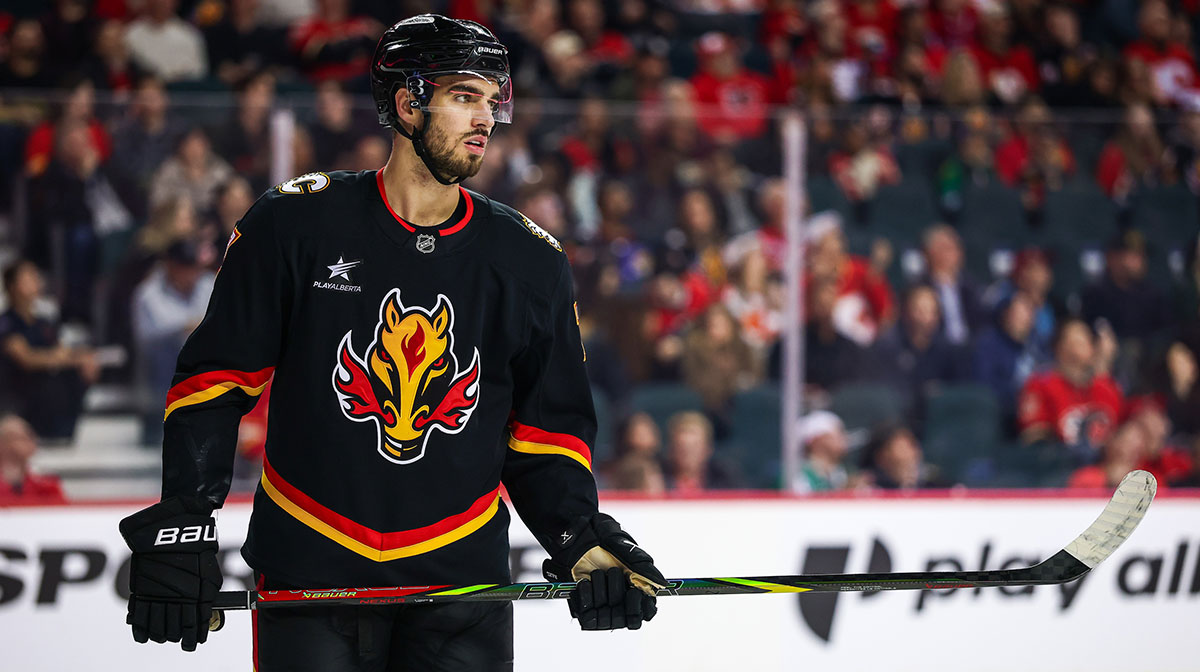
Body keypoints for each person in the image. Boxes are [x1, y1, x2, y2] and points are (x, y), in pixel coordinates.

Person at [117, 15, 666, 669]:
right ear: (409, 103)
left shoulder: (530, 261)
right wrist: (185, 518)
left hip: (463, 584)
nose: (485, 118)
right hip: (310, 573)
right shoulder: (293, 223)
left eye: (494, 100)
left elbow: (546, 436)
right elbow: (215, 381)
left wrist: (580, 536)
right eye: (465, 96)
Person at [0, 260, 100, 442]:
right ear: (12, 286)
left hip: (46, 388)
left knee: (77, 371)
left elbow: (62, 351)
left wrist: (83, 357)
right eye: (28, 278)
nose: (35, 282)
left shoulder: (44, 323)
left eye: (35, 277)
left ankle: (62, 430)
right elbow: (26, 359)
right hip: (19, 392)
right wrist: (58, 358)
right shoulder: (7, 323)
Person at [0, 414, 65, 502]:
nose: (13, 444)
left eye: (21, 438)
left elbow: (62, 512)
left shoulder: (47, 485)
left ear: (32, 444)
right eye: (8, 438)